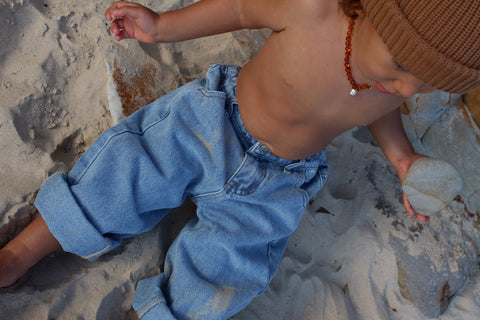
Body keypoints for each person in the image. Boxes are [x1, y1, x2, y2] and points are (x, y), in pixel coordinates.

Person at [1, 0, 479, 318]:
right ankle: (21, 252)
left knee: (229, 268)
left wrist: (401, 157)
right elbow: (239, 7)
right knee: (125, 171)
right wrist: (161, 26)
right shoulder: (313, 11)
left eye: (428, 82)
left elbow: (386, 110)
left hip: (278, 182)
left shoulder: (394, 84)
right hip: (211, 123)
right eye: (401, 67)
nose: (407, 89)